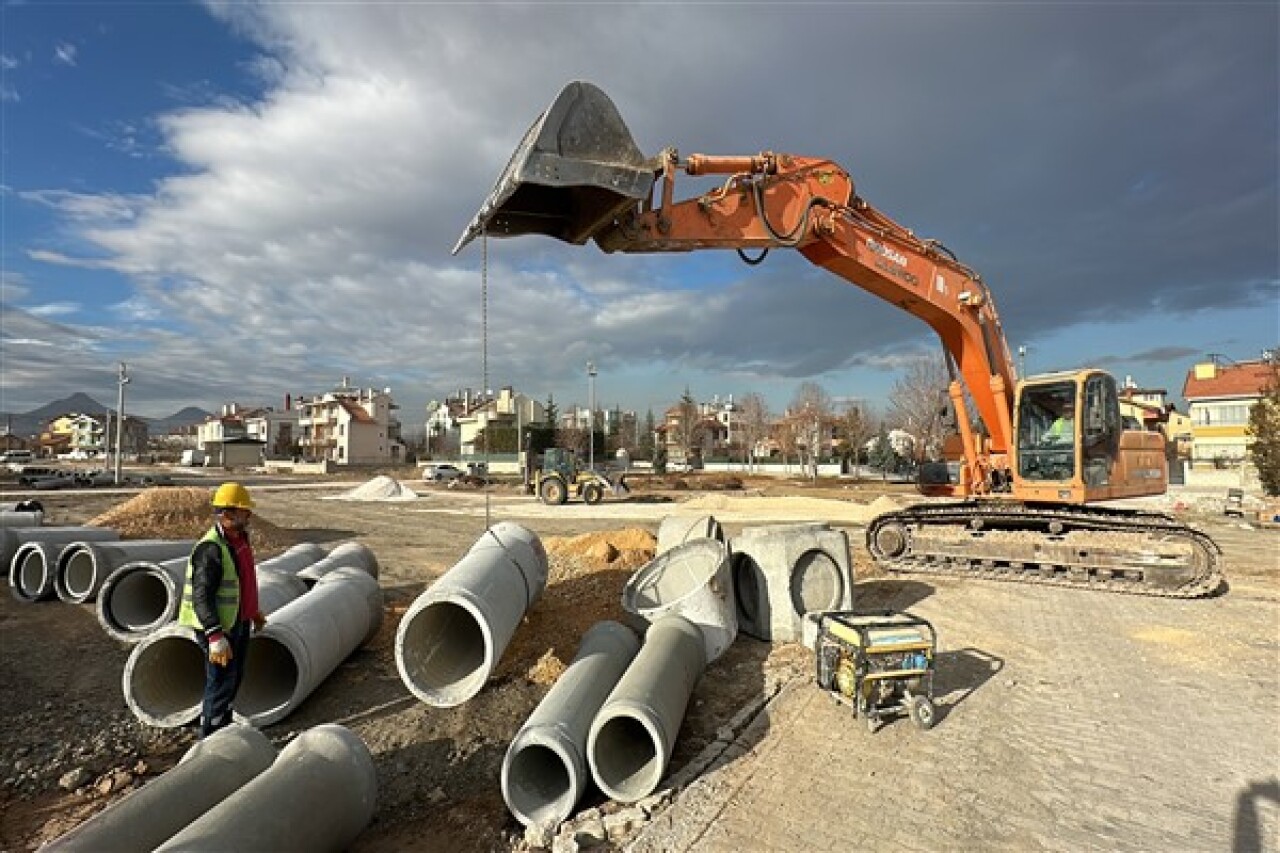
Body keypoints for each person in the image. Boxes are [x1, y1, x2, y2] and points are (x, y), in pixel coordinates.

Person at [177, 482, 266, 737]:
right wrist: (215, 636)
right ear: (227, 514)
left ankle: (223, 728)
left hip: (238, 623)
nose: (248, 515)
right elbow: (201, 596)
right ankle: (210, 736)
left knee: (234, 678)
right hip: (218, 629)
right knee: (220, 682)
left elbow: (243, 582)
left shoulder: (239, 541)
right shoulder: (211, 549)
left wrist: (253, 612)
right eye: (243, 511)